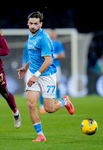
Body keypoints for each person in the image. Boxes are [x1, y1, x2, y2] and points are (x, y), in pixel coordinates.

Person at [17, 11, 74, 142]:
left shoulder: (44, 38)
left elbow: (48, 60)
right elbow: (34, 56)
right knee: (31, 104)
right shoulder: (30, 35)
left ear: (41, 24)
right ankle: (41, 134)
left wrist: (36, 75)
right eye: (31, 23)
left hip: (47, 75)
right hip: (33, 73)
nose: (33, 26)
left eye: (36, 24)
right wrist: (25, 68)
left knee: (49, 108)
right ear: (27, 23)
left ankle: (65, 101)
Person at [22, 41, 46, 113]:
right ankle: (33, 105)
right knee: (27, 84)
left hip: (38, 67)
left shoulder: (40, 43)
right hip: (29, 67)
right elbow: (25, 54)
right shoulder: (27, 43)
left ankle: (42, 105)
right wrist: (24, 63)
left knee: (40, 86)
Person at [49, 29, 66, 98]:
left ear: (56, 35)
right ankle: (46, 100)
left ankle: (58, 98)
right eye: (51, 33)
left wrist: (54, 56)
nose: (52, 34)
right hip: (46, 66)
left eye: (54, 33)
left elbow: (62, 55)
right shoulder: (46, 43)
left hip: (56, 66)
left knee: (56, 83)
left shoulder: (58, 43)